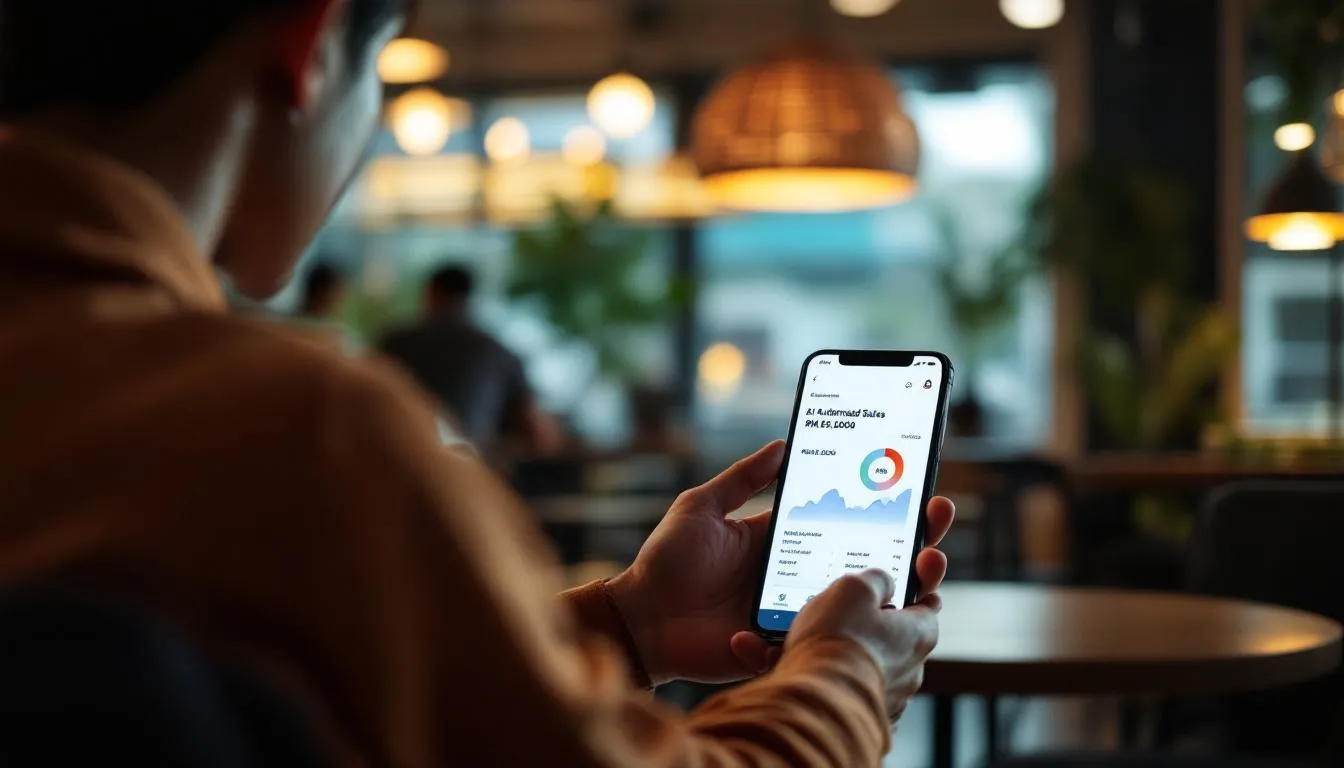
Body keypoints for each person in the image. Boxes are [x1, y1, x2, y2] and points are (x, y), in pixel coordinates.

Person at [0, 1, 954, 767]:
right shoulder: (293, 430)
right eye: (380, 72)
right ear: (310, 47)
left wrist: (627, 624)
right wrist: (846, 673)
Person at [379, 265, 563, 455]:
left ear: (432, 292)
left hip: (397, 459)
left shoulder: (396, 343)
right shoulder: (496, 351)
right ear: (468, 297)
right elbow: (539, 434)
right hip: (469, 466)